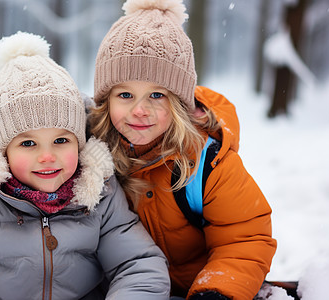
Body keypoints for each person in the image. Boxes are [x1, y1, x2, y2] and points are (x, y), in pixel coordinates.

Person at [0, 31, 170, 300]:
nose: (47, 156)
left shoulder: (100, 195)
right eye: (28, 144)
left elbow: (138, 264)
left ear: (79, 143)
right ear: (2, 150)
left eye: (61, 140)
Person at [89, 0, 277, 299]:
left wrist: (216, 291)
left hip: (193, 287)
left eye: (156, 95)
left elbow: (244, 239)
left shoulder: (206, 162)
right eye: (125, 94)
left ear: (178, 103)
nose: (140, 110)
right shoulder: (88, 152)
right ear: (106, 100)